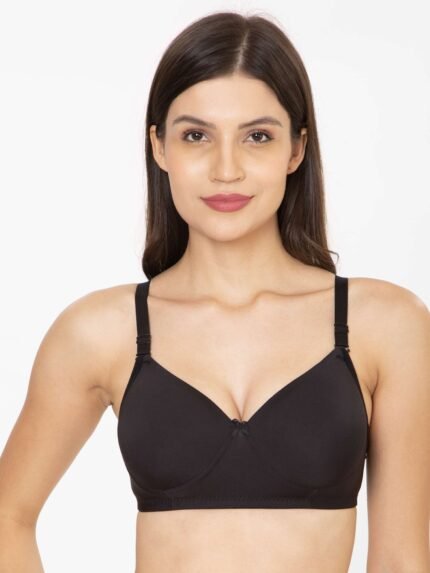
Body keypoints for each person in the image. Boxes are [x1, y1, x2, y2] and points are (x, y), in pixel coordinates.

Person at [1, 10, 429, 573]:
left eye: (257, 137)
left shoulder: (386, 325)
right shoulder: (101, 332)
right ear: (159, 147)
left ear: (296, 149)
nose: (227, 169)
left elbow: (401, 559)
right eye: (196, 135)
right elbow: (8, 516)